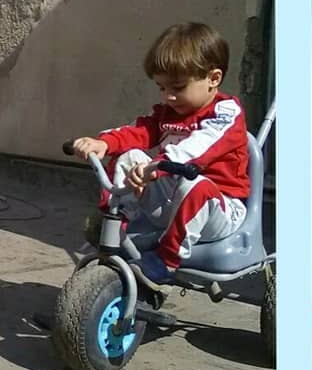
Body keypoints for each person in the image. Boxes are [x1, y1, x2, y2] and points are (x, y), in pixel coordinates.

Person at [71, 22, 250, 286]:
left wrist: (157, 166)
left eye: (177, 88)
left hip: (221, 209)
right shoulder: (167, 113)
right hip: (172, 197)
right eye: (162, 88)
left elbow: (200, 146)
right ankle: (113, 222)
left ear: (213, 79)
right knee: (128, 157)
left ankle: (166, 260)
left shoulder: (225, 113)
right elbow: (139, 130)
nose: (168, 97)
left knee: (196, 185)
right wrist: (104, 143)